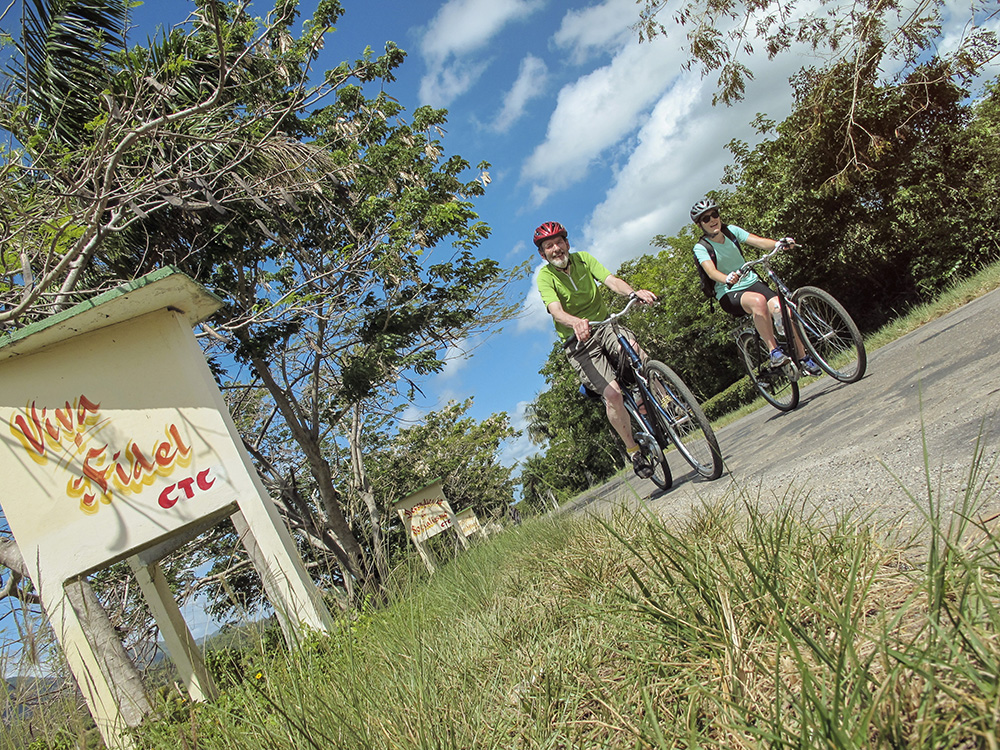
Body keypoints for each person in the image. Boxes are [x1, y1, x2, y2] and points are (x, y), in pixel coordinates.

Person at [534, 221, 659, 478]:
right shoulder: (545, 277)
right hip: (578, 341)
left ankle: (660, 403)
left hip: (605, 325)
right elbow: (556, 311)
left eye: (559, 242)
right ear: (542, 254)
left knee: (638, 353)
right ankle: (634, 451)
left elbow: (611, 280)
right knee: (612, 395)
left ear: (567, 244)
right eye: (549, 246)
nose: (556, 249)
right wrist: (575, 322)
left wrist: (633, 293)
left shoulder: (584, 259)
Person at [689, 198, 821, 375]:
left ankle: (803, 358)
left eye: (714, 215)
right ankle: (774, 352)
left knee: (783, 310)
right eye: (706, 219)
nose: (712, 220)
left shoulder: (731, 232)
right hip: (728, 292)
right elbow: (711, 272)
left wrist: (778, 244)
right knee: (758, 302)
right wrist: (726, 278)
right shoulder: (701, 247)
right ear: (700, 225)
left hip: (751, 281)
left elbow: (758, 241)